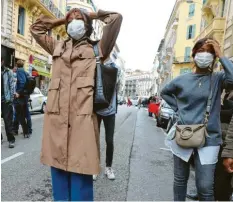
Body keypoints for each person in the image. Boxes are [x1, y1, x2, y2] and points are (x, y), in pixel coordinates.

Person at [30, 8, 122, 201]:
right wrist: (61, 19)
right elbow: (36, 29)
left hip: (83, 125)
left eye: (79, 19)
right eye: (70, 19)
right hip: (56, 124)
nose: (74, 21)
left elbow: (115, 19)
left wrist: (93, 15)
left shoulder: (98, 49)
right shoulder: (57, 47)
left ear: (87, 25)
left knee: (81, 186)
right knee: (59, 187)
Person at [161, 38, 233, 201]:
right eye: (201, 51)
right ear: (194, 55)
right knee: (180, 181)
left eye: (209, 52)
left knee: (205, 188)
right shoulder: (181, 80)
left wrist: (221, 55)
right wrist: (178, 108)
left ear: (213, 57)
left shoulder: (218, 79)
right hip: (183, 134)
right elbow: (165, 92)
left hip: (210, 138)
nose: (204, 55)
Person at [93, 61, 119, 181]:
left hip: (110, 112)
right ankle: (95, 167)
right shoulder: (98, 71)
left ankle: (108, 167)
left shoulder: (115, 72)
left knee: (109, 140)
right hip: (98, 110)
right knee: (95, 140)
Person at [214, 89, 233, 201]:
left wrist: (217, 111)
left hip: (225, 138)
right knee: (220, 181)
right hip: (222, 140)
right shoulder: (223, 91)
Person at [1, 58, 16, 148]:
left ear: (2, 61)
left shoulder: (8, 72)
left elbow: (11, 86)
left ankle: (11, 140)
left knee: (7, 121)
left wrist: (10, 99)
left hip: (5, 100)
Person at [13, 60, 30, 138]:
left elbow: (22, 83)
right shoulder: (25, 72)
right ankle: (17, 130)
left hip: (20, 97)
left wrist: (18, 93)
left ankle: (25, 132)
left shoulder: (19, 71)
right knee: (19, 114)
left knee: (20, 115)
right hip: (24, 96)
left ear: (17, 65)